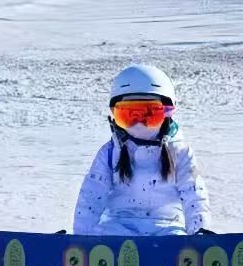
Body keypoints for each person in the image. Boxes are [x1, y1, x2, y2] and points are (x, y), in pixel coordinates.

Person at [73, 64, 212, 236]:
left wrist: (199, 236)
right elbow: (91, 196)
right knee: (106, 237)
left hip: (166, 227)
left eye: (149, 115)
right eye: (129, 115)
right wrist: (80, 240)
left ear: (167, 113)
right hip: (118, 226)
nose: (139, 124)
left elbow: (194, 194)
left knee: (175, 241)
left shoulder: (179, 151)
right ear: (114, 116)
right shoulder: (109, 153)